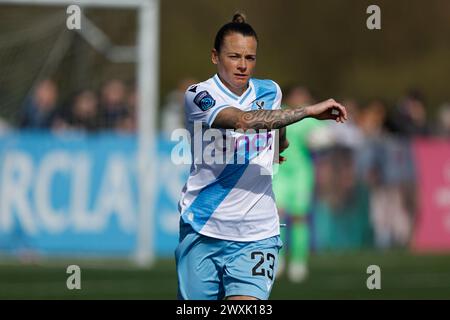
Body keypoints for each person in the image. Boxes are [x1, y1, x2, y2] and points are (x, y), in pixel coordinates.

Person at [176, 12, 347, 300]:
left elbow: (275, 126)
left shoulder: (270, 90)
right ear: (215, 57)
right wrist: (306, 110)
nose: (243, 65)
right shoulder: (199, 95)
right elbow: (242, 120)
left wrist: (280, 143)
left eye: (250, 57)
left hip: (257, 233)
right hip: (203, 228)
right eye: (234, 56)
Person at [272, 85, 325, 283]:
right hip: (280, 172)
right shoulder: (278, 113)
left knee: (299, 217)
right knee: (278, 216)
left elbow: (324, 136)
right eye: (299, 94)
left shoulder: (309, 118)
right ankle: (278, 259)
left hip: (301, 173)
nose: (302, 98)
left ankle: (298, 261)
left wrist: (320, 140)